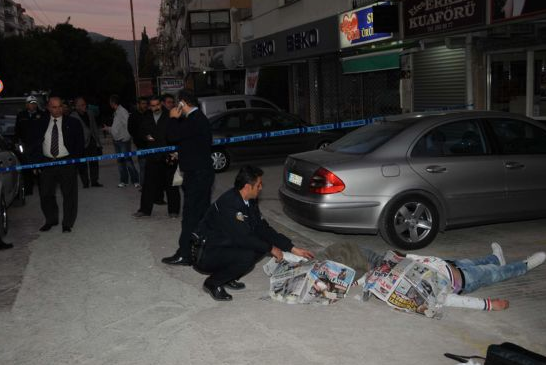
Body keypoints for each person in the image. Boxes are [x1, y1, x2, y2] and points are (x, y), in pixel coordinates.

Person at [194, 165, 314, 301]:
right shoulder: (230, 204)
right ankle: (213, 283)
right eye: (258, 185)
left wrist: (292, 248)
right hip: (207, 252)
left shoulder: (249, 200)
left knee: (262, 245)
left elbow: (262, 228)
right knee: (249, 255)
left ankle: (228, 277)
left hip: (225, 242)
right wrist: (271, 248)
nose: (261, 188)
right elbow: (244, 238)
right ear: (247, 187)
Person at [354, 243, 546, 317]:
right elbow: (448, 300)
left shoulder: (389, 266)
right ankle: (524, 265)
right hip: (464, 281)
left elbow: (370, 276)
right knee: (494, 273)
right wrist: (487, 304)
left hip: (448, 264)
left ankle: (496, 258)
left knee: (476, 262)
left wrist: (359, 282)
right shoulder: (420, 292)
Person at [161, 91, 215, 266]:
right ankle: (201, 251)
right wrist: (180, 154)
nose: (176, 108)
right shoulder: (197, 119)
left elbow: (172, 136)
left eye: (177, 105)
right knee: (200, 215)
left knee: (191, 215)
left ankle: (185, 253)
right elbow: (192, 144)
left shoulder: (193, 119)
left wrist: (172, 118)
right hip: (201, 173)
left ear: (182, 104)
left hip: (198, 175)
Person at [28, 97, 84, 233]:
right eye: (54, 107)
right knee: (46, 194)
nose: (58, 110)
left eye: (60, 106)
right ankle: (51, 220)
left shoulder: (73, 123)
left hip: (67, 162)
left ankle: (67, 223)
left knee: (69, 194)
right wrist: (36, 164)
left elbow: (80, 144)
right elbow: (34, 145)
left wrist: (75, 161)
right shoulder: (40, 123)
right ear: (48, 108)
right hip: (47, 163)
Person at [133, 96, 180, 218]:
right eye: (153, 105)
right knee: (148, 185)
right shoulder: (146, 117)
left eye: (157, 104)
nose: (156, 107)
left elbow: (176, 134)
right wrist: (145, 137)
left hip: (168, 155)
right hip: (152, 156)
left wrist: (175, 152)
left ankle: (173, 211)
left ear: (161, 104)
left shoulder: (170, 115)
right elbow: (140, 132)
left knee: (172, 185)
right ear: (149, 106)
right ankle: (144, 210)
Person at [105, 95, 140, 188]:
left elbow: (129, 125)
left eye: (110, 102)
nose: (109, 104)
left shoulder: (122, 111)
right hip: (117, 141)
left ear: (112, 103)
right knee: (120, 162)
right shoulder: (116, 112)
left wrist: (126, 138)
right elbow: (117, 127)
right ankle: (124, 181)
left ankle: (135, 180)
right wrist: (108, 128)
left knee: (128, 161)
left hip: (123, 141)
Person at [70, 97, 103, 188]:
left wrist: (98, 143)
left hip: (92, 141)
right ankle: (85, 182)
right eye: (82, 105)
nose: (85, 106)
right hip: (80, 144)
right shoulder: (72, 116)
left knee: (94, 162)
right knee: (82, 164)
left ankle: (94, 181)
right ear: (76, 106)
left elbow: (94, 128)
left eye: (85, 104)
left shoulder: (90, 113)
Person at [15, 95, 43, 196]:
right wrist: (16, 142)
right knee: (27, 168)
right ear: (27, 105)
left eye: (34, 103)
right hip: (26, 145)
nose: (33, 105)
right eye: (31, 103)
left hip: (39, 145)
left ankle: (42, 189)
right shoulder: (21, 115)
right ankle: (28, 190)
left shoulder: (42, 114)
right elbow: (17, 130)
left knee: (41, 168)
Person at [127, 97, 149, 187]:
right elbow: (130, 129)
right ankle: (143, 186)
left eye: (145, 103)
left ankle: (152, 185)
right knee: (143, 166)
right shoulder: (133, 116)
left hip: (151, 144)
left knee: (152, 166)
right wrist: (138, 139)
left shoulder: (149, 114)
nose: (144, 105)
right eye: (142, 103)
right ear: (138, 105)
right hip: (141, 145)